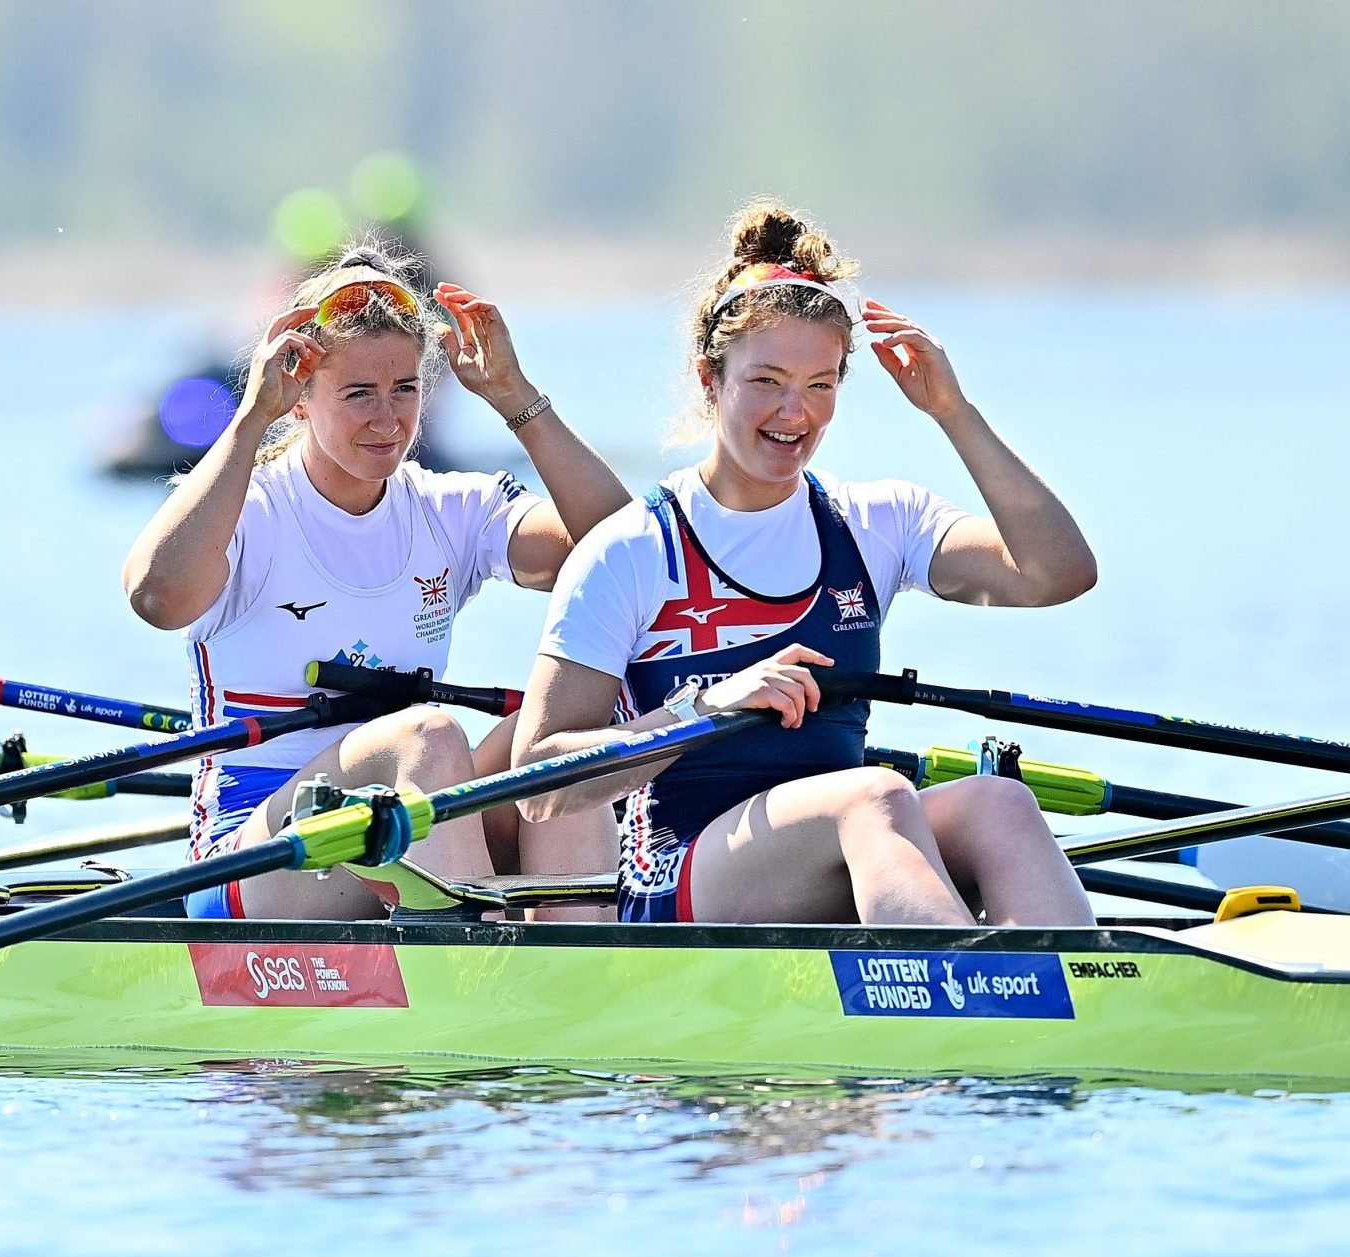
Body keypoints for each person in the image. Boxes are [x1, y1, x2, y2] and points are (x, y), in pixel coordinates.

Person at [513, 202, 1099, 927]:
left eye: (821, 385)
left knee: (999, 804)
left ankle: (1090, 1006)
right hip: (681, 873)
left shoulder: (877, 523)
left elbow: (1056, 572)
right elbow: (539, 778)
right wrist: (702, 708)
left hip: (841, 842)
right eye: (767, 381)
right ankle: (965, 1001)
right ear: (709, 377)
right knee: (875, 794)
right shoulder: (630, 549)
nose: (796, 413)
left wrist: (953, 411)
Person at [123, 243, 629, 920]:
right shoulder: (246, 509)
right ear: (300, 397)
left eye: (404, 390)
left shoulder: (450, 509)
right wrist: (250, 419)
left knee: (560, 741)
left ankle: (579, 970)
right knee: (428, 737)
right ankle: (475, 966)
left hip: (392, 829)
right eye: (359, 394)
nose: (387, 419)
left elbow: (626, 560)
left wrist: (518, 400)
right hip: (254, 862)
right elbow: (157, 598)